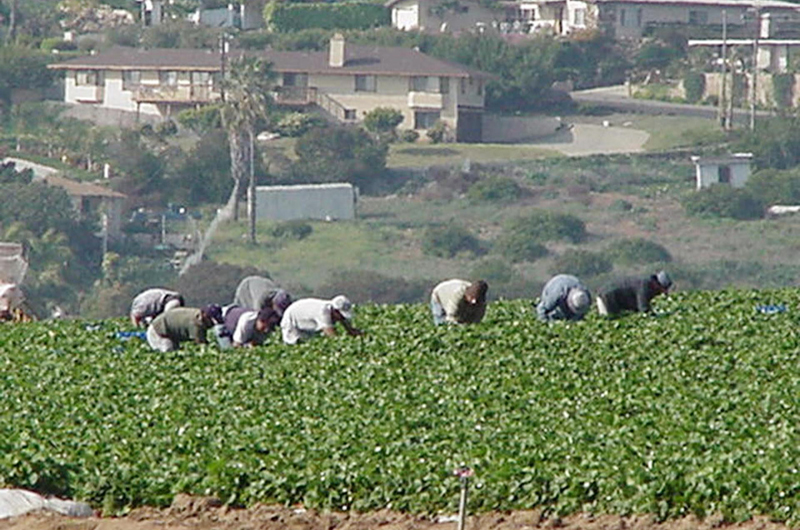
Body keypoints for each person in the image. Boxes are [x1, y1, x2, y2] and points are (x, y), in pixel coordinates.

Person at [280, 295, 363, 345]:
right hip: (291, 321)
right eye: (341, 315)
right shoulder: (323, 312)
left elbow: (349, 328)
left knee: (310, 341)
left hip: (306, 320)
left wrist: (357, 334)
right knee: (296, 344)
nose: (341, 318)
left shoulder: (334, 310)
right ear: (335, 311)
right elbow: (331, 335)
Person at [146, 304, 223, 352]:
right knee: (169, 353)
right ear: (206, 317)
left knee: (176, 351)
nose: (212, 325)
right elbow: (201, 344)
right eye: (212, 322)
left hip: (169, 332)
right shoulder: (195, 323)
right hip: (158, 332)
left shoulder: (199, 315)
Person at [596, 270, 673, 317]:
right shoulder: (644, 287)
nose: (662, 292)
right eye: (662, 289)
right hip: (607, 297)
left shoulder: (649, 286)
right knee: (610, 322)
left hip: (612, 298)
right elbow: (643, 308)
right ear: (657, 284)